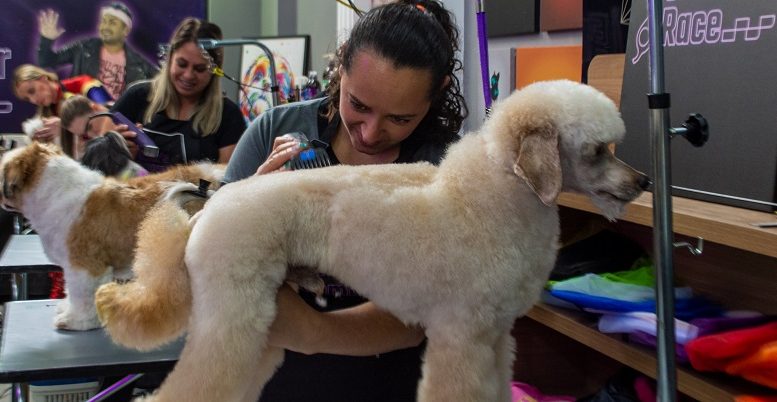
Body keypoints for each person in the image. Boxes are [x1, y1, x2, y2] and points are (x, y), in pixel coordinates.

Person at [222, 1, 467, 400]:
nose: (370, 134)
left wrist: (311, 332)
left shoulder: (446, 167)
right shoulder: (276, 130)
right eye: (359, 104)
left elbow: (426, 315)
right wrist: (243, 209)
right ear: (342, 63)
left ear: (436, 93)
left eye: (399, 119)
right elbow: (204, 260)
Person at [110, 17, 245, 165]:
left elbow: (228, 181)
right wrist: (119, 150)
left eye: (199, 69)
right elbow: (97, 151)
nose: (188, 75)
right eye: (182, 64)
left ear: (214, 70)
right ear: (169, 59)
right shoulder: (137, 97)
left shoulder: (228, 116)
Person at [37, 2, 158, 100]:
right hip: (81, 115)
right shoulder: (83, 48)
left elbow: (164, 81)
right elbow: (47, 62)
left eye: (112, 23)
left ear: (125, 30)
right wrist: (46, 41)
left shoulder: (139, 64)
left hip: (117, 122)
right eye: (103, 21)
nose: (105, 27)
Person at [12, 64, 113, 155]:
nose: (33, 100)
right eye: (27, 99)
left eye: (32, 91)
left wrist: (66, 127)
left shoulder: (83, 84)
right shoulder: (45, 116)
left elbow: (111, 112)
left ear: (43, 79)